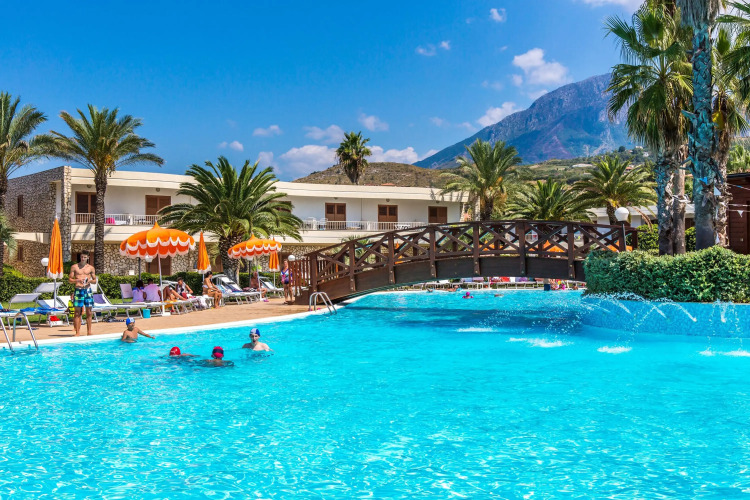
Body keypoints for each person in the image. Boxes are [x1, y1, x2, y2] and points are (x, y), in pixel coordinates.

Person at [68, 249, 97, 336]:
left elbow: (95, 280)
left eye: (84, 257)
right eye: (81, 257)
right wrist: (77, 280)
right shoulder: (74, 267)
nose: (83, 259)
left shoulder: (91, 268)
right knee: (77, 312)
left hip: (87, 290)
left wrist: (89, 281)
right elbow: (70, 280)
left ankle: (89, 332)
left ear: (88, 257)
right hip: (78, 289)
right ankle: (77, 332)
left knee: (89, 312)